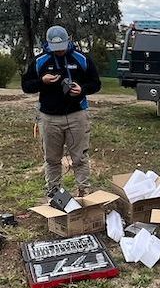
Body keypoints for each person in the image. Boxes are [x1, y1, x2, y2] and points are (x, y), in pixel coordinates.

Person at [21, 26, 101, 198]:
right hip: (49, 118)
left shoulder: (81, 59)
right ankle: (54, 194)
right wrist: (42, 82)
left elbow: (96, 83)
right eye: (55, 48)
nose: (59, 51)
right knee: (52, 159)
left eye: (62, 46)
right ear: (48, 44)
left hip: (77, 115)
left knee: (79, 158)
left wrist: (82, 89)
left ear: (69, 39)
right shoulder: (39, 61)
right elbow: (26, 86)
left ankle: (84, 193)